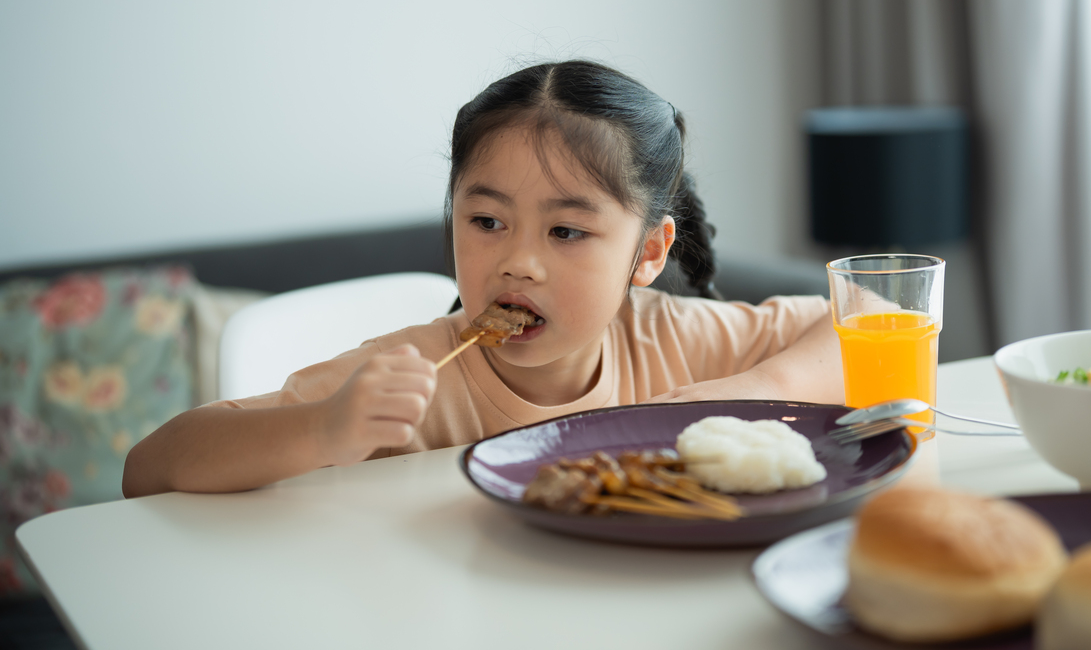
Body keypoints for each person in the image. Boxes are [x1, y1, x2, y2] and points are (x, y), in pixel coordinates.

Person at [122, 61, 843, 498]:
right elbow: (150, 471)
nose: (517, 261)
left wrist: (745, 395)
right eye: (487, 221)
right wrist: (321, 429)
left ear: (649, 252)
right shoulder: (412, 379)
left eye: (565, 232)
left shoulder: (672, 339)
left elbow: (869, 316)